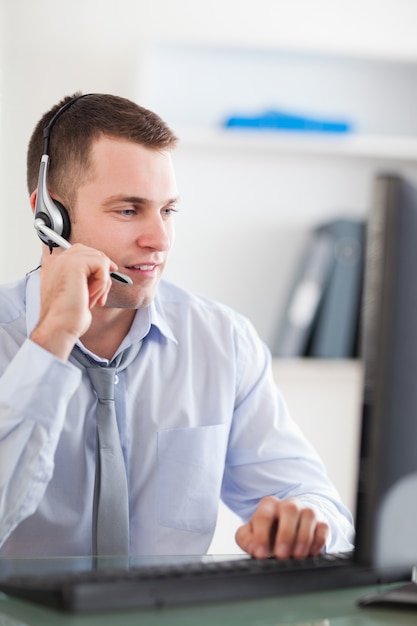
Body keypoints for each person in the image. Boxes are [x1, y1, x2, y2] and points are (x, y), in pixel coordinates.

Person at [0, 92, 354, 559]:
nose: (159, 240)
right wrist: (51, 341)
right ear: (49, 216)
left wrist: (302, 523)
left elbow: (317, 501)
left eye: (167, 210)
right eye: (128, 210)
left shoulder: (222, 342)